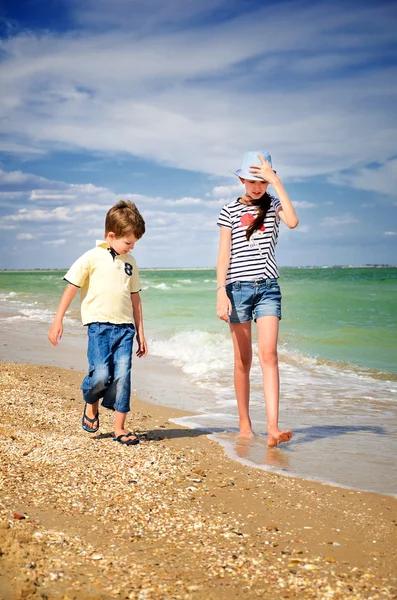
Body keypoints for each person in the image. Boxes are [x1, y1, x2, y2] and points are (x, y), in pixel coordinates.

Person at [48, 199, 148, 446]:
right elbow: (71, 288)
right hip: (99, 328)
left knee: (123, 376)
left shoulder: (130, 263)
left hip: (125, 329)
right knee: (101, 375)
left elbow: (135, 300)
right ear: (111, 235)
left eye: (135, 243)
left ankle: (119, 428)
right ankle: (91, 403)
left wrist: (141, 334)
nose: (132, 247)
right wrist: (57, 321)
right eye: (128, 242)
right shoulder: (91, 257)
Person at [216, 151, 298, 447]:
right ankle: (244, 423)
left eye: (261, 180)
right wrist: (220, 292)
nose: (256, 186)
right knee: (243, 360)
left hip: (268, 288)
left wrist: (276, 181)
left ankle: (273, 427)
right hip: (237, 289)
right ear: (241, 179)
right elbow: (224, 255)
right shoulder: (228, 210)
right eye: (252, 180)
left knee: (269, 354)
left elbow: (293, 222)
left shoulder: (274, 204)